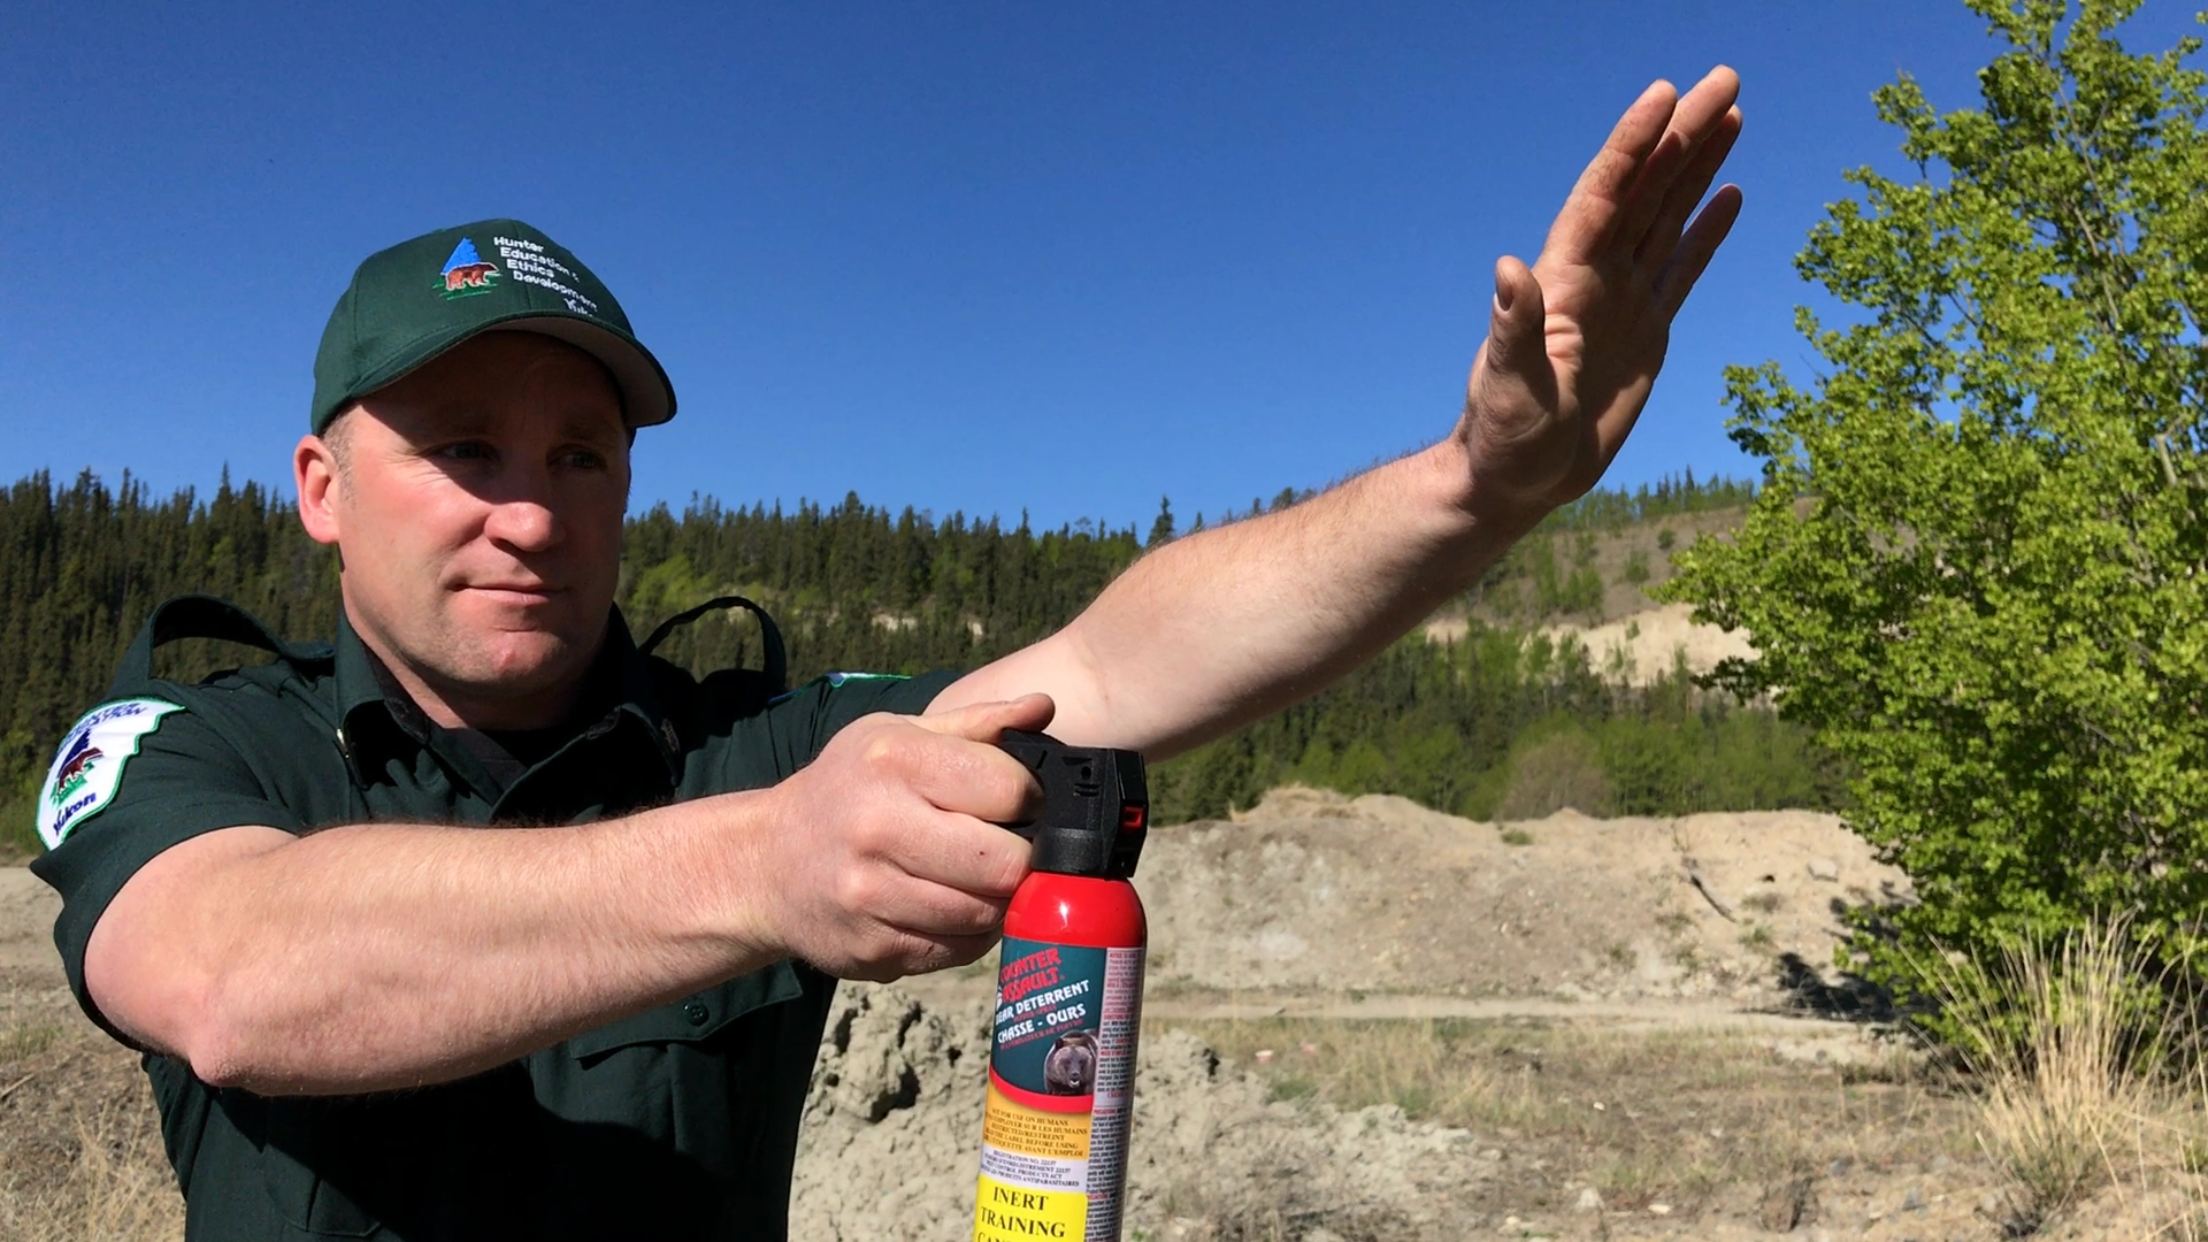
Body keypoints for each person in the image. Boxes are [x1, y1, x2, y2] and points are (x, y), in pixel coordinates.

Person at [30, 68, 1743, 1241]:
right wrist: (761, 867)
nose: (532, 512)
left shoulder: (751, 744)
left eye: (581, 455)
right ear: (322, 489)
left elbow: (1123, 664)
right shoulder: (195, 744)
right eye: (464, 448)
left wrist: (1473, 490)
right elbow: (230, 975)